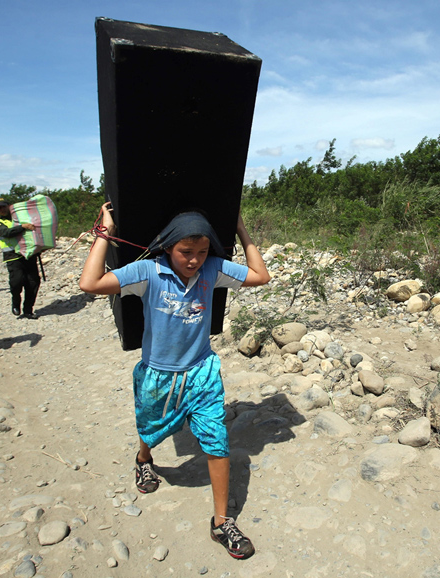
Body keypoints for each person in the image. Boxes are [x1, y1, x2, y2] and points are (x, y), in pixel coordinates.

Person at [79, 202, 271, 559]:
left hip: (202, 372)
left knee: (217, 439)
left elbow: (261, 276)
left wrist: (241, 231)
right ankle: (144, 458)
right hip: (158, 373)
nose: (195, 260)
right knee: (149, 425)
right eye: (186, 252)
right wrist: (104, 232)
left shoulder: (213, 269)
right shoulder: (147, 272)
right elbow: (89, 283)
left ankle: (221, 521)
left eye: (201, 251)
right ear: (167, 247)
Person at [0, 197, 40, 318]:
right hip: (12, 256)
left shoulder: (21, 218)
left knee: (33, 282)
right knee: (17, 282)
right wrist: (23, 227)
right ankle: (15, 302)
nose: (2, 209)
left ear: (9, 206)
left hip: (29, 255)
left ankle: (28, 310)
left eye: (4, 206)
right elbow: (6, 233)